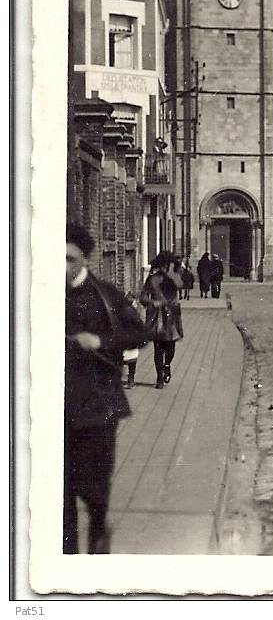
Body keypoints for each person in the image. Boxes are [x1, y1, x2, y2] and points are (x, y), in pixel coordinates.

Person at [65, 222, 148, 554]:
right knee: (60, 497)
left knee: (95, 491)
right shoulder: (38, 296)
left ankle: (99, 536)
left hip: (99, 410)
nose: (62, 267)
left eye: (69, 259)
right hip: (58, 412)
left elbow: (140, 335)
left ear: (84, 259)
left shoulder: (106, 296)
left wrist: (99, 340)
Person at [139, 252, 184, 388]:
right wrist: (153, 302)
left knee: (170, 347)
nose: (165, 267)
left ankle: (167, 365)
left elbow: (180, 285)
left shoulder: (175, 277)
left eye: (168, 265)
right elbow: (143, 297)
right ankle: (159, 377)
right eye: (163, 265)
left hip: (171, 316)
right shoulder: (152, 279)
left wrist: (171, 273)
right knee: (158, 348)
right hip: (157, 317)